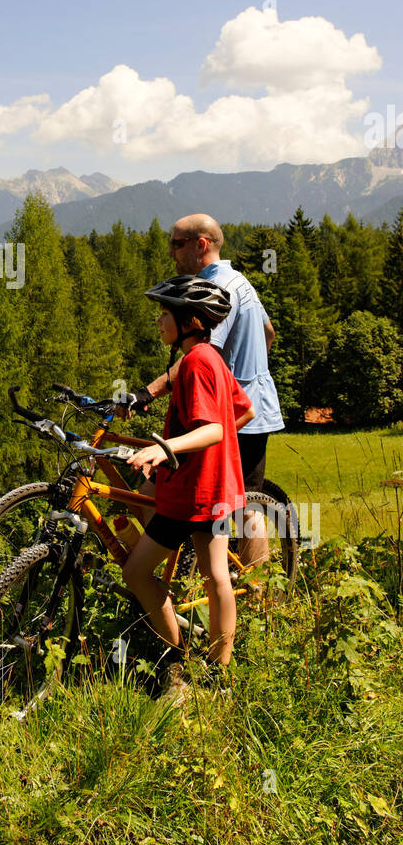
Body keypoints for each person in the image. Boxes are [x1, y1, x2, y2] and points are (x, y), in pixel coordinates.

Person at [122, 214, 283, 572]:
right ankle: (190, 573)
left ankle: (259, 595)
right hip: (251, 406)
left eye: (177, 244)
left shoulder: (214, 290)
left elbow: (200, 350)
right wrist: (244, 374)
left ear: (201, 245)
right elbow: (269, 332)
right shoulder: (240, 281)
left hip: (234, 416)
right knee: (241, 504)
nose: (170, 252)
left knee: (243, 507)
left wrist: (146, 393)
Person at [122, 275, 254, 704]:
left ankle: (176, 658)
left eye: (165, 314)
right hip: (213, 487)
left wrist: (168, 449)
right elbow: (242, 412)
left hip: (191, 495)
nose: (159, 321)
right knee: (217, 576)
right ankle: (220, 674)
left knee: (136, 572)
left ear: (190, 320)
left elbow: (214, 427)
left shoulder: (196, 363)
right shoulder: (210, 357)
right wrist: (207, 450)